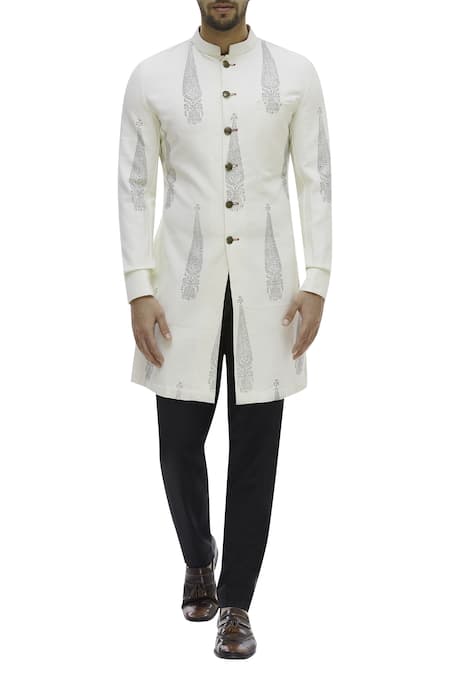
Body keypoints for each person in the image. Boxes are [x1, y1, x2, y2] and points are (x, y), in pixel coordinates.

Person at [117, 0, 332, 659]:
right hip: (181, 293)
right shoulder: (152, 77)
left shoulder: (296, 74)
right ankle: (198, 557)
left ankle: (236, 603)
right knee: (178, 442)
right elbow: (134, 185)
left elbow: (316, 179)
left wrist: (318, 277)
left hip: (270, 292)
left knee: (257, 451)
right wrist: (139, 286)